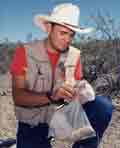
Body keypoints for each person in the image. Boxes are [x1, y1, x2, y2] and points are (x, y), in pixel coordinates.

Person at [10, 3, 114, 148]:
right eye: (63, 33)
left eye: (72, 34)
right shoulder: (25, 53)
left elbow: (73, 88)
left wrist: (82, 92)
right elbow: (19, 97)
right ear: (48, 28)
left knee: (102, 106)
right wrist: (51, 96)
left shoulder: (74, 55)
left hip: (63, 112)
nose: (68, 39)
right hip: (34, 116)